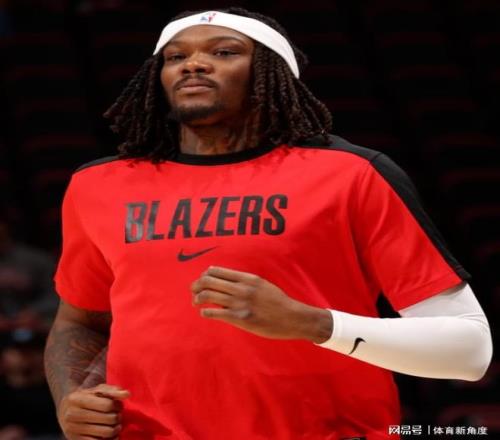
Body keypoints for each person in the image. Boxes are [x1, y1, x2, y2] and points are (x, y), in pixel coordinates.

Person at [44, 7, 493, 440]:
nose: (193, 64)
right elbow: (79, 322)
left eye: (224, 52)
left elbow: (469, 350)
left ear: (271, 73)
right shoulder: (98, 185)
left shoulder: (352, 174)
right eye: (176, 56)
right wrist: (72, 397)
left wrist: (311, 323)